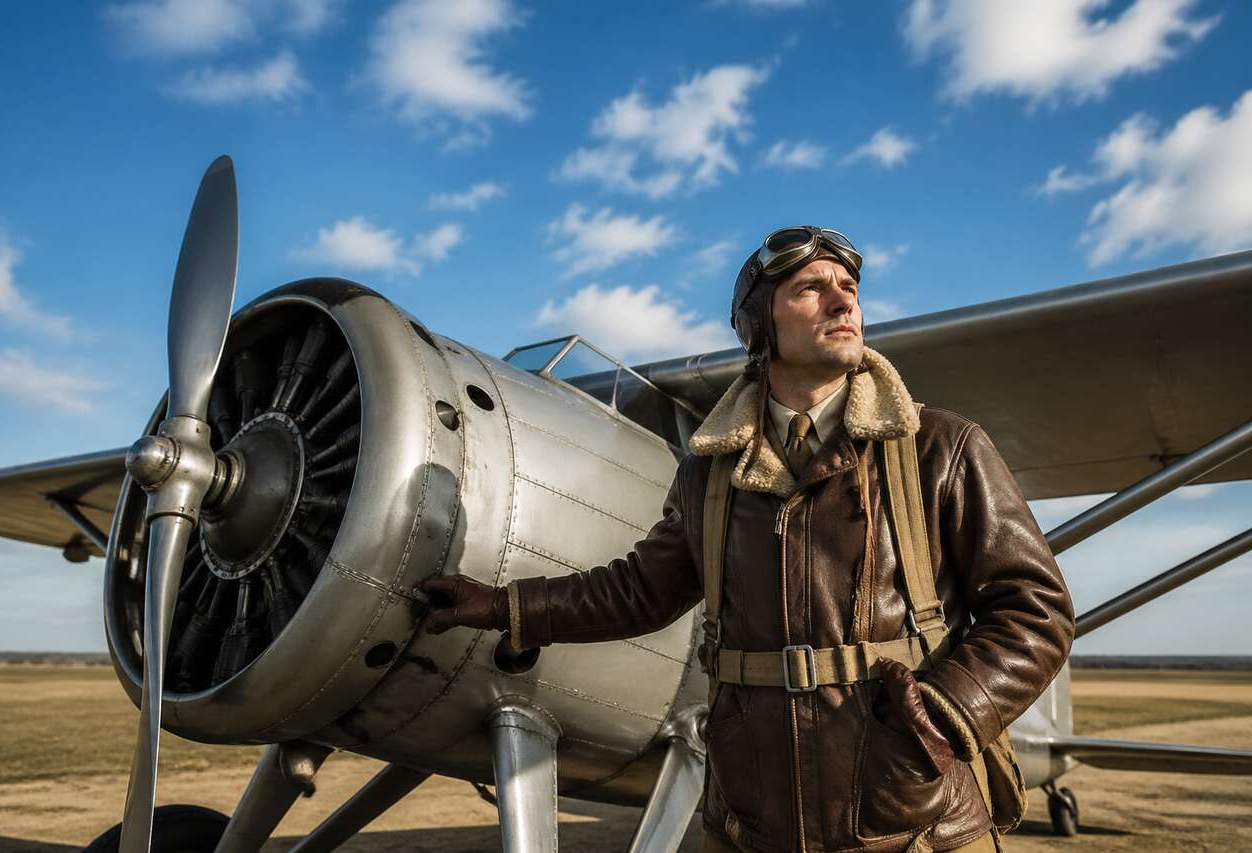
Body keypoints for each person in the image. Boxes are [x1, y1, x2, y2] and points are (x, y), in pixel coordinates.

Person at [421, 226, 1075, 853]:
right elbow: (637, 592)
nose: (844, 298)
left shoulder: (943, 447)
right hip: (748, 825)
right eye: (810, 287)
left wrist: (947, 711)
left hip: (915, 823)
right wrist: (505, 606)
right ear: (761, 325)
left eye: (849, 284)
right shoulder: (710, 474)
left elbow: (1035, 606)